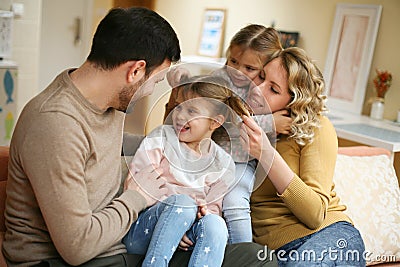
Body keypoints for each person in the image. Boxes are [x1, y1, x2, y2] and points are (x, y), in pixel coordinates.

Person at [2, 6, 181, 266]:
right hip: (62, 260)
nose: (151, 91)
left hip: (112, 247)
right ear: (135, 71)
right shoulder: (55, 123)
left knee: (240, 253)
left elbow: (103, 147)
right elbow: (77, 247)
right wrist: (138, 196)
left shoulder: (108, 102)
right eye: (155, 82)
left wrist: (177, 147)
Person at [165, 24, 292, 244]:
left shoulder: (266, 90)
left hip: (242, 160)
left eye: (250, 68)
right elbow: (226, 122)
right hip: (210, 154)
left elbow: (249, 130)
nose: (238, 71)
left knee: (235, 203)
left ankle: (243, 254)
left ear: (266, 68)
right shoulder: (220, 78)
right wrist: (182, 83)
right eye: (233, 62)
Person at [241, 47, 366, 266]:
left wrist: (266, 153)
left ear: (293, 102)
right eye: (261, 77)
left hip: (329, 235)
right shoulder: (238, 130)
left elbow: (314, 214)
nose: (258, 89)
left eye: (273, 89)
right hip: (274, 254)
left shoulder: (316, 128)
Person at [123, 75, 250, 266]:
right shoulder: (161, 138)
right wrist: (177, 219)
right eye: (179, 107)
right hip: (143, 230)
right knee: (183, 204)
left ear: (215, 122)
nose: (180, 115)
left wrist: (199, 215)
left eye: (191, 110)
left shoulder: (223, 164)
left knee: (216, 225)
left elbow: (213, 208)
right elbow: (137, 185)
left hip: (188, 238)